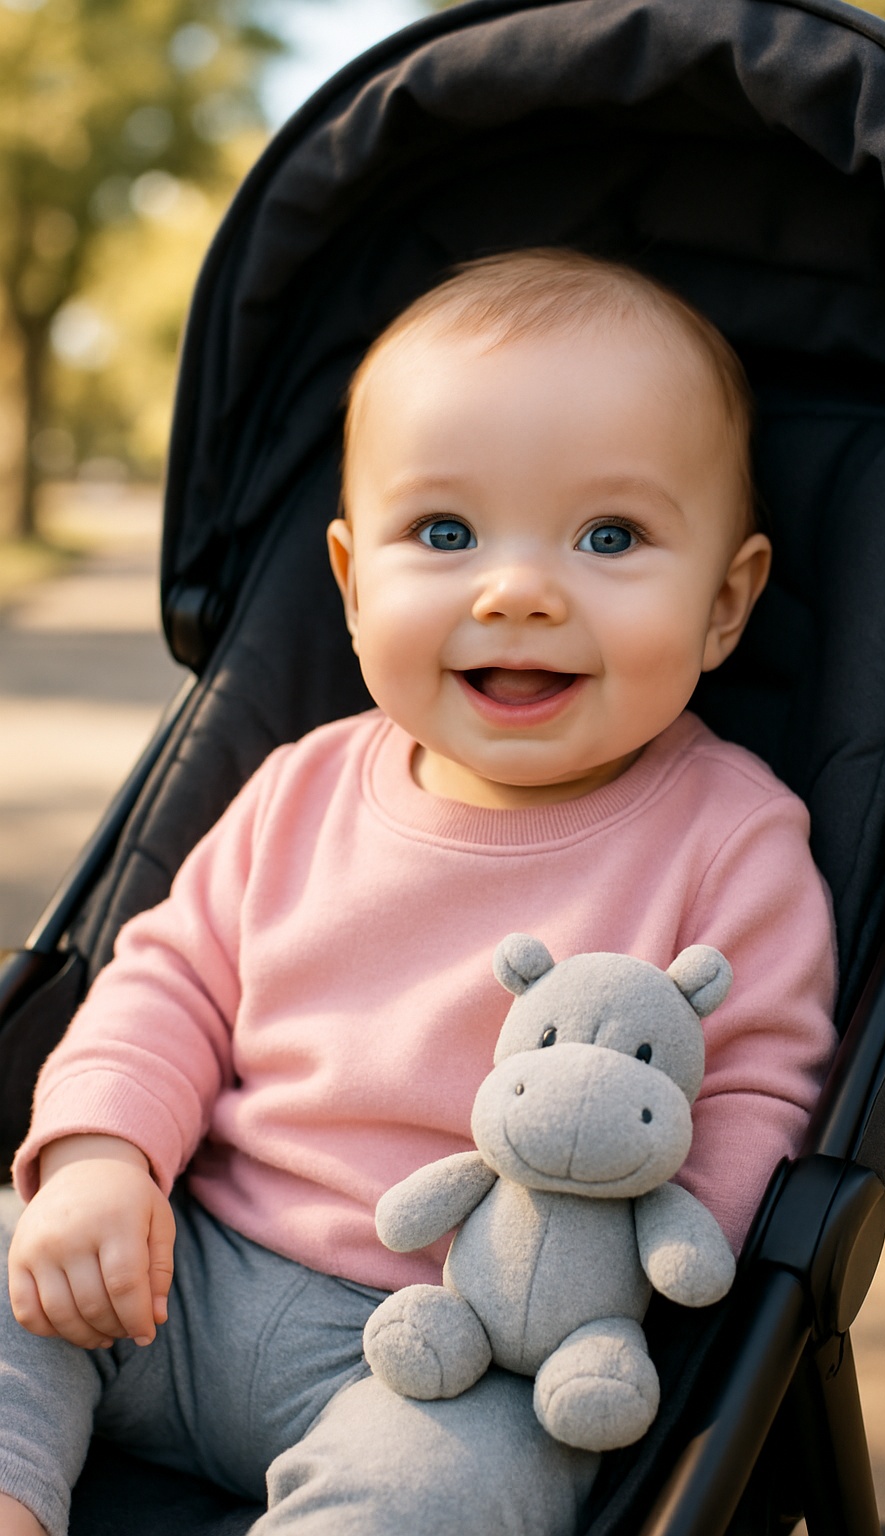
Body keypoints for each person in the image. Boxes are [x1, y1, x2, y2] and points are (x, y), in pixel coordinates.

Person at [0, 248, 837, 1536]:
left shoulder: (731, 837)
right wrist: (104, 1162)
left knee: (461, 1491)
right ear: (349, 583)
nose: (517, 589)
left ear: (726, 604)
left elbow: (755, 1089)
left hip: (463, 1347)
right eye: (443, 533)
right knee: (11, 1270)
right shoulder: (300, 787)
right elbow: (160, 986)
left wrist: (634, 1284)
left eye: (608, 536)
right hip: (182, 1264)